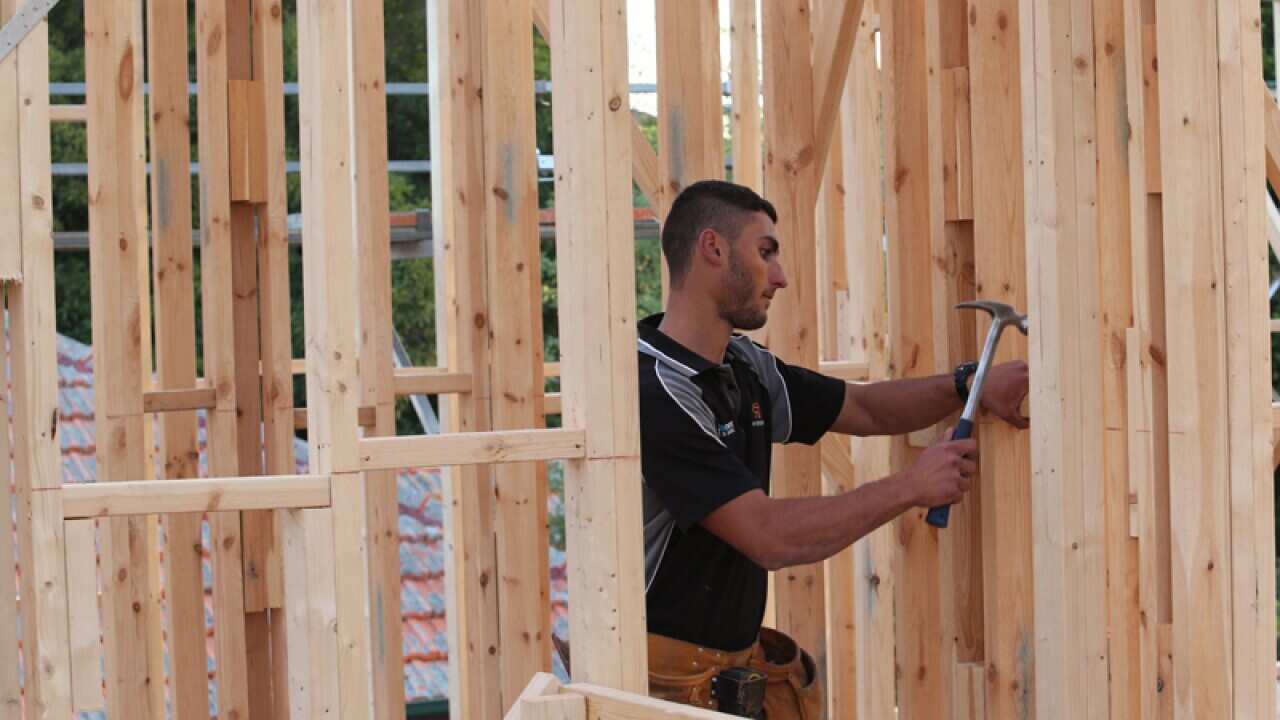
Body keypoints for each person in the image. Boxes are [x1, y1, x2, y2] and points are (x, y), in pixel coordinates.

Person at [638, 180, 1029, 719]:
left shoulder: (745, 367)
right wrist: (911, 485)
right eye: (765, 252)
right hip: (655, 694)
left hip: (723, 680)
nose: (780, 276)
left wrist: (970, 384)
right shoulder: (658, 390)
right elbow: (767, 536)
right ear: (713, 248)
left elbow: (865, 409)